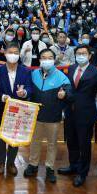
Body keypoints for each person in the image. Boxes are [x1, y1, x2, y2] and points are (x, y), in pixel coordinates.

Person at [58, 44, 97, 187]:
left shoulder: (95, 72)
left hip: (85, 114)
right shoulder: (72, 68)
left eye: (83, 53)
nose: (80, 55)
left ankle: (82, 172)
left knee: (84, 145)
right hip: (70, 112)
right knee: (72, 142)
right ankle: (73, 165)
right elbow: (69, 87)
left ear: (89, 56)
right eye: (78, 53)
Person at [24, 48, 72, 183]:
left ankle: (50, 168)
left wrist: (65, 94)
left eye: (49, 57)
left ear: (54, 59)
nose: (46, 60)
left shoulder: (61, 77)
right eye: (43, 57)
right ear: (39, 60)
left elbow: (69, 92)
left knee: (52, 144)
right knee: (35, 142)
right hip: (36, 116)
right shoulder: (33, 74)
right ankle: (33, 165)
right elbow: (28, 91)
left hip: (53, 117)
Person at [0, 42, 32, 176]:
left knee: (14, 137)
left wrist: (25, 93)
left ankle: (11, 162)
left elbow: (29, 88)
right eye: (10, 52)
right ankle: (0, 162)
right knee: (0, 138)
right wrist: (2, 97)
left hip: (19, 110)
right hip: (2, 109)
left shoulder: (26, 71)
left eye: (16, 53)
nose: (13, 55)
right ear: (5, 54)